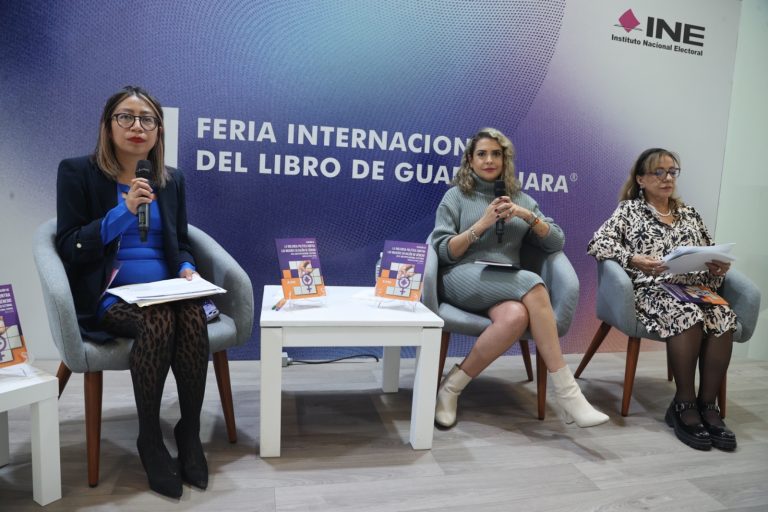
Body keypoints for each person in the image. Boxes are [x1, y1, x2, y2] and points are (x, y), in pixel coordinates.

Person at [56, 86, 210, 497]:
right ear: (108, 127)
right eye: (126, 117)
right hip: (110, 296)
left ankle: (189, 431)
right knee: (160, 316)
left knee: (191, 313)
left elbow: (180, 241)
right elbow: (69, 244)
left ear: (159, 131)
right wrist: (121, 213)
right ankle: (149, 439)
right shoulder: (77, 173)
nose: (137, 126)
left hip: (165, 289)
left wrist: (187, 268)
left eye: (147, 119)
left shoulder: (171, 180)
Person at [430, 128, 608, 429]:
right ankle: (567, 393)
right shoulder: (456, 196)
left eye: (495, 154)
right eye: (482, 154)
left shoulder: (521, 198)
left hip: (504, 280)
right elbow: (445, 251)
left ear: (505, 159)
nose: (489, 160)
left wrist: (527, 216)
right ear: (470, 160)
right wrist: (483, 223)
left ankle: (450, 388)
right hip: (461, 276)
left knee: (515, 316)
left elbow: (555, 243)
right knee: (535, 285)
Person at [588, 148, 737, 451]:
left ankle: (708, 406)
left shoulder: (690, 213)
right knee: (687, 313)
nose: (667, 178)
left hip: (696, 288)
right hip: (653, 290)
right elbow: (598, 243)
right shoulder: (629, 211)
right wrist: (633, 259)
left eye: (672, 172)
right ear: (641, 179)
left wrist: (718, 266)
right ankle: (683, 404)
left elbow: (711, 251)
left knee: (723, 316)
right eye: (659, 172)